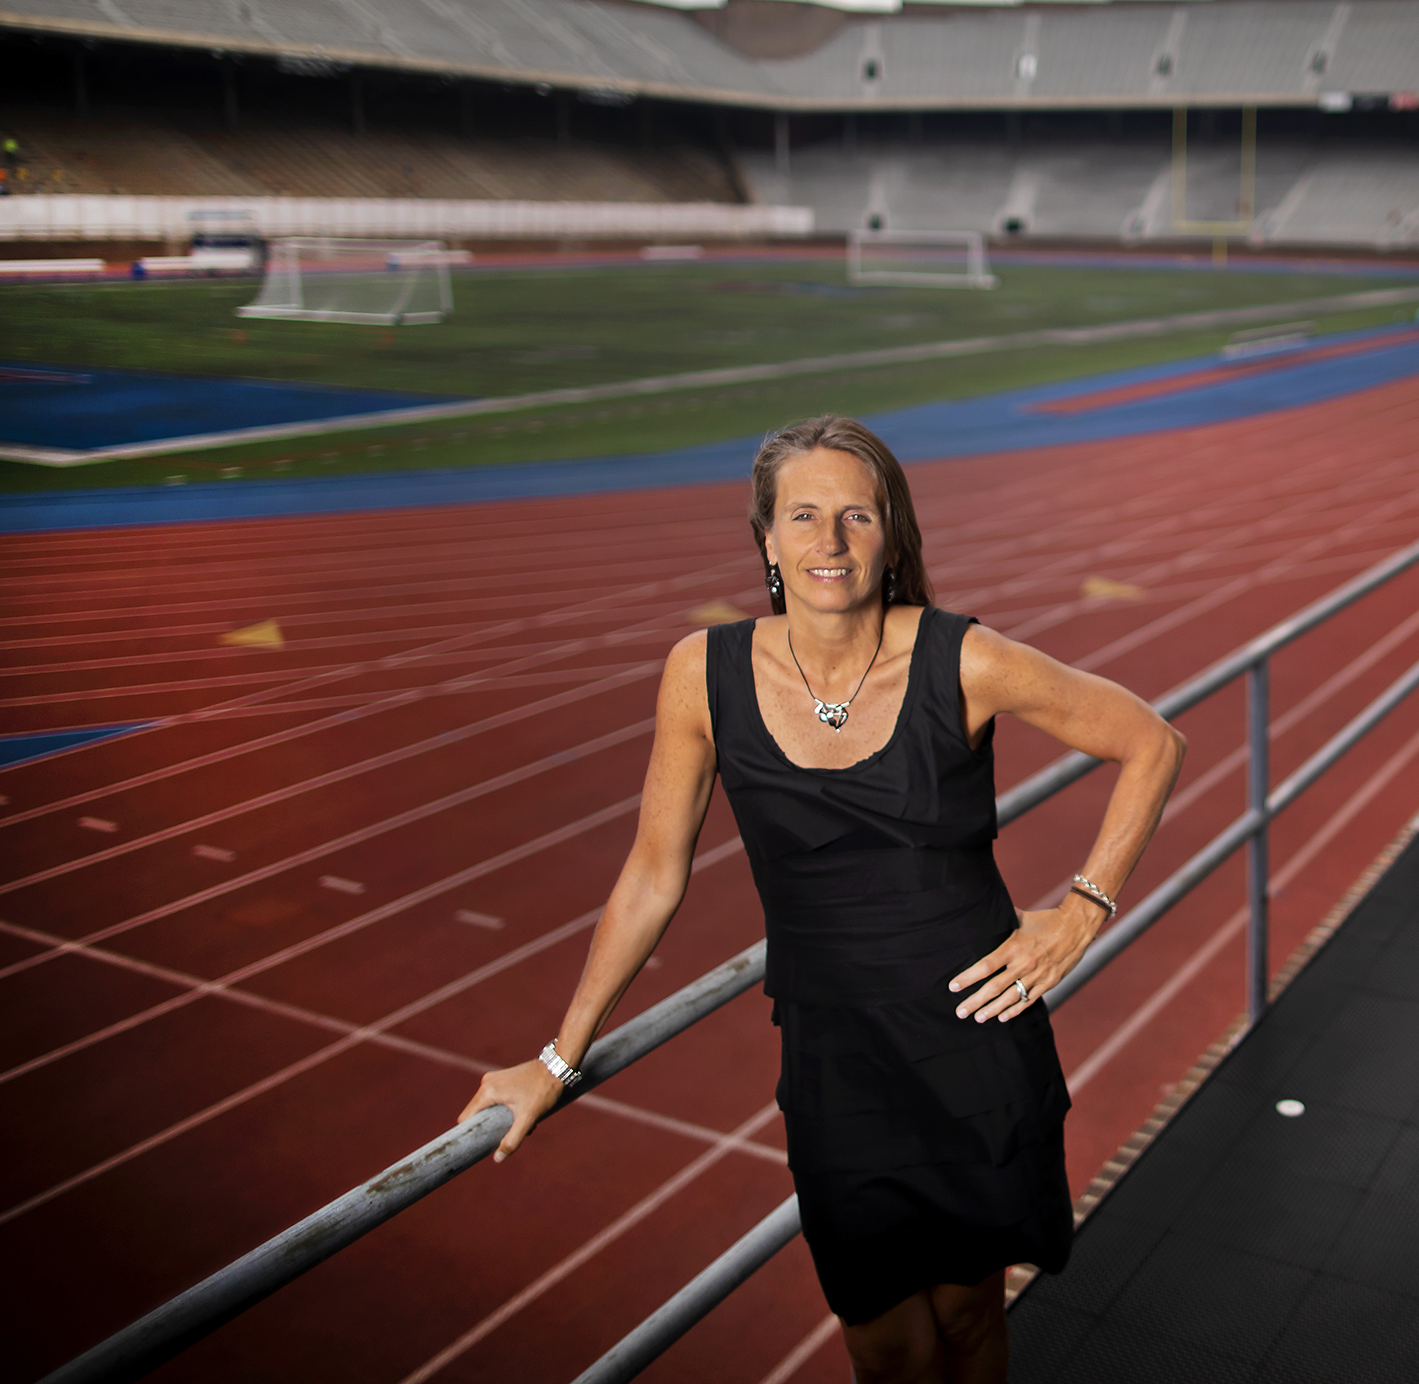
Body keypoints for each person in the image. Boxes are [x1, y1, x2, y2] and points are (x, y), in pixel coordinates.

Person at [460, 416, 1186, 1383]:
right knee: (884, 1339)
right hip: (835, 1061)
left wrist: (1082, 909)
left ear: (893, 536)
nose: (830, 542)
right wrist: (559, 1057)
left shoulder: (961, 659)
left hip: (974, 1044)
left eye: (857, 516)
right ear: (765, 537)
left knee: (969, 1314)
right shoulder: (703, 674)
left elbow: (1151, 740)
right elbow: (652, 873)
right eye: (803, 516)